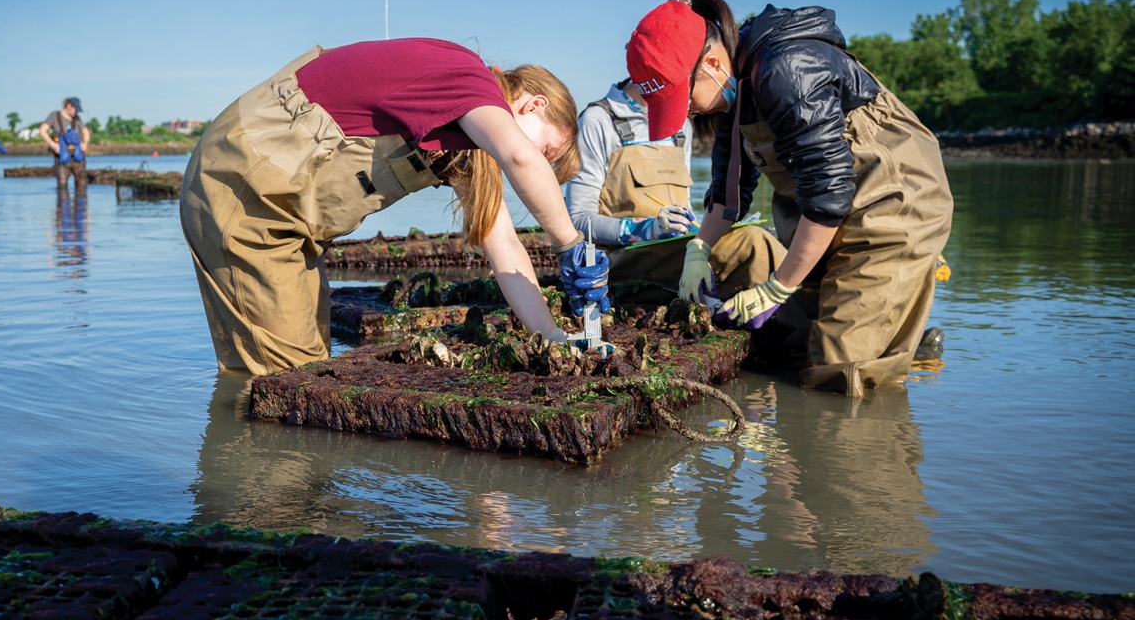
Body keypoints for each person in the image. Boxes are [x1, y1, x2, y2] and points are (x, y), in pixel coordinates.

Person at [179, 38, 609, 376]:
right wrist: (569, 243)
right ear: (534, 104)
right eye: (548, 151)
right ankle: (273, 488)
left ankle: (243, 464)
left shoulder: (466, 144)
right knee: (291, 374)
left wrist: (551, 334)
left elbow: (504, 246)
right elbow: (520, 157)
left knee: (290, 356)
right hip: (247, 192)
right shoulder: (466, 78)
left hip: (286, 221)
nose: (539, 165)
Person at [627, 0, 952, 396]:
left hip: (891, 207)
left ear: (711, 64)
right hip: (824, 216)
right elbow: (729, 194)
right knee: (783, 344)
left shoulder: (788, 70)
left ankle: (893, 354)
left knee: (836, 370)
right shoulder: (732, 91)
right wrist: (699, 251)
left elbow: (828, 197)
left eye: (685, 101)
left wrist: (777, 287)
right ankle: (900, 339)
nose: (689, 114)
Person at [564, 77, 785, 300]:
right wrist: (648, 229)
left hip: (675, 252)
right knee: (753, 241)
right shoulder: (598, 120)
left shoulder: (681, 124)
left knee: (757, 236)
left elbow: (685, 204)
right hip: (619, 260)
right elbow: (579, 220)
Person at [39, 97, 90, 193]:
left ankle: (81, 206)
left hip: (77, 155)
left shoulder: (77, 119)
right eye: (76, 109)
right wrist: (53, 145)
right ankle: (62, 206)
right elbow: (42, 131)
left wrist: (85, 143)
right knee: (62, 184)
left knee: (82, 183)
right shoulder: (54, 116)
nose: (76, 113)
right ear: (69, 106)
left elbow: (85, 132)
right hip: (61, 154)